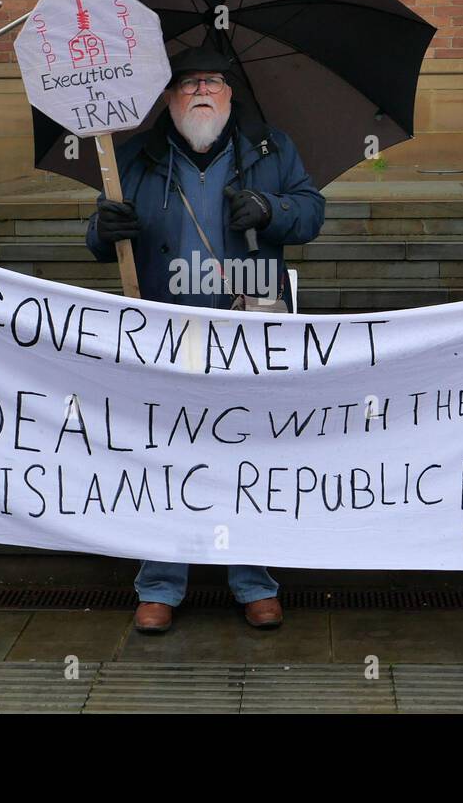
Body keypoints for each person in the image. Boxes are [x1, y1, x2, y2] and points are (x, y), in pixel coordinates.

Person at [85, 46, 325, 633]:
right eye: (188, 83)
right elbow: (100, 231)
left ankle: (254, 581)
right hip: (165, 331)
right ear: (167, 100)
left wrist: (270, 208)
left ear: (230, 95)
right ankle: (160, 583)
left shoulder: (271, 150)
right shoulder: (135, 159)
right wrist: (100, 228)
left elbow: (312, 213)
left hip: (248, 327)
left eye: (213, 82)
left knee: (248, 454)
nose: (201, 92)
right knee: (164, 457)